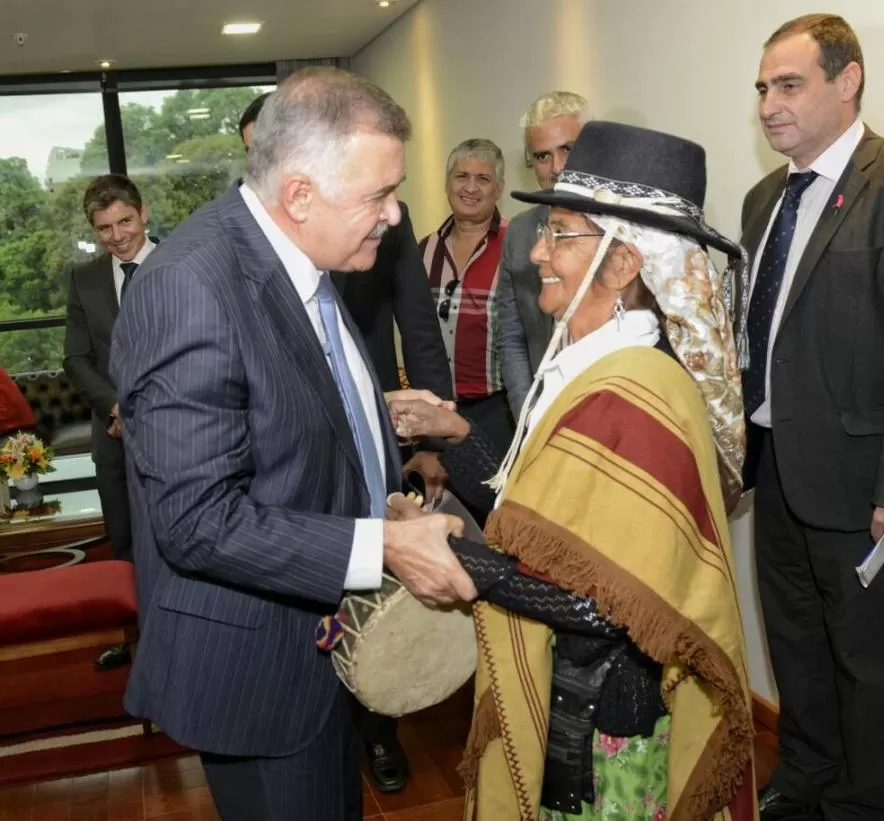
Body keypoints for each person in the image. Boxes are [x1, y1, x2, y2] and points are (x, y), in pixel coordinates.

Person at [110, 67, 476, 821]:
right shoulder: (190, 288)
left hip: (314, 648)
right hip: (257, 671)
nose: (394, 213)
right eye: (378, 195)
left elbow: (288, 414)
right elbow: (198, 520)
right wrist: (380, 545)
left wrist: (384, 476)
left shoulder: (302, 254)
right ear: (301, 194)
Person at [390, 122, 756, 820]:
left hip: (605, 715)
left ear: (623, 264)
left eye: (559, 233)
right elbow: (540, 519)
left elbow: (604, 604)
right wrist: (458, 431)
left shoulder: (640, 389)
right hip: (579, 692)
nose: (535, 252)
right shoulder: (595, 366)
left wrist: (456, 558)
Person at [741, 14, 884, 821]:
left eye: (790, 84)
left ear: (849, 81)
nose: (770, 103)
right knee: (796, 651)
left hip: (871, 489)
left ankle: (860, 810)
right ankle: (801, 784)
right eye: (764, 87)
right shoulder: (764, 197)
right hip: (776, 473)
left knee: (865, 672)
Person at [332, 200, 454, 795]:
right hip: (294, 447)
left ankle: (381, 729)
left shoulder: (388, 221)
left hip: (377, 433)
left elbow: (420, 327)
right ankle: (329, 725)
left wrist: (431, 440)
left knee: (379, 580)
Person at [64, 174, 155, 671]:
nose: (118, 235)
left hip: (178, 433)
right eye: (104, 228)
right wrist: (116, 407)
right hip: (114, 433)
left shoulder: (183, 262)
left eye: (125, 221)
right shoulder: (85, 279)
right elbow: (76, 359)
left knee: (179, 537)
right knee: (123, 541)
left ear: (144, 213)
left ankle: (184, 639)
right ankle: (137, 642)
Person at [419, 138, 514, 455]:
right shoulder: (423, 250)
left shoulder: (519, 247)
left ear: (498, 188)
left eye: (483, 179)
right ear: (447, 183)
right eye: (462, 176)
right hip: (434, 411)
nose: (470, 188)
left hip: (498, 413)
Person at [497, 91, 587, 420]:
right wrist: (528, 416)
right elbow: (511, 337)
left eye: (568, 149)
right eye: (542, 156)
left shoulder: (622, 230)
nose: (558, 167)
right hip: (542, 411)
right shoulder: (520, 234)